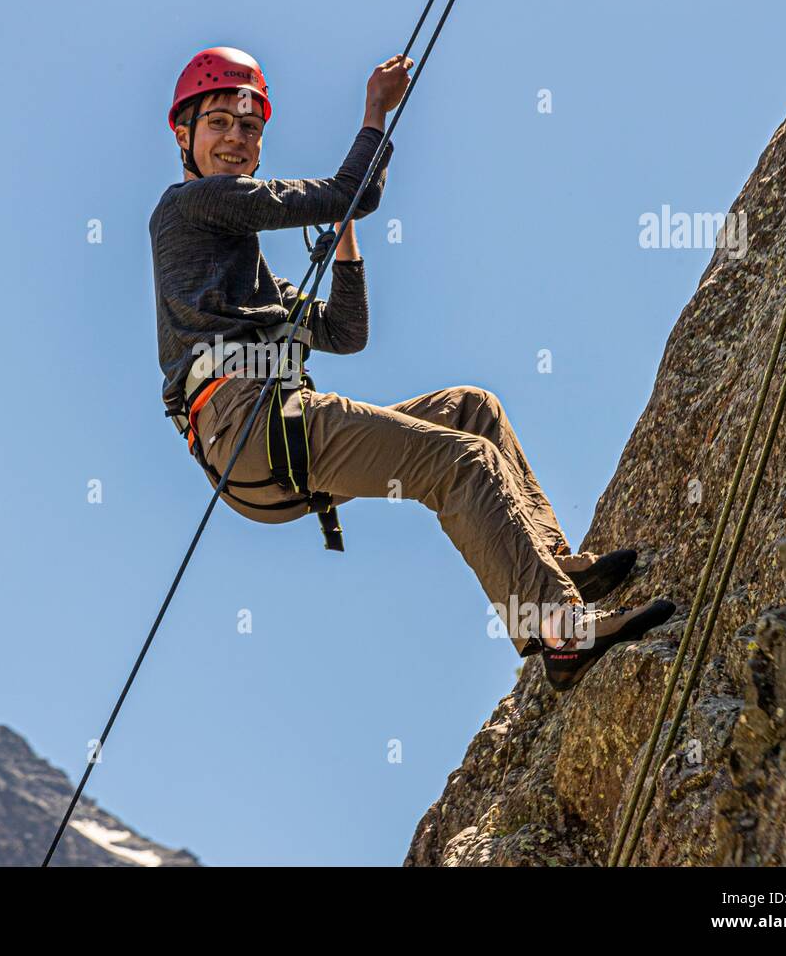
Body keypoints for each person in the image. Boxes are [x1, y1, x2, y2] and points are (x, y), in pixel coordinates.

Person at [148, 45, 674, 691]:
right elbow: (355, 191)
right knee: (459, 461)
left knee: (470, 409)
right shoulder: (192, 205)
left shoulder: (247, 281)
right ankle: (559, 628)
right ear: (184, 133)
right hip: (248, 423)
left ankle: (553, 569)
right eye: (219, 123)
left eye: (249, 127)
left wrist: (343, 241)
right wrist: (375, 110)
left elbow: (346, 333)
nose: (235, 137)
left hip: (264, 438)